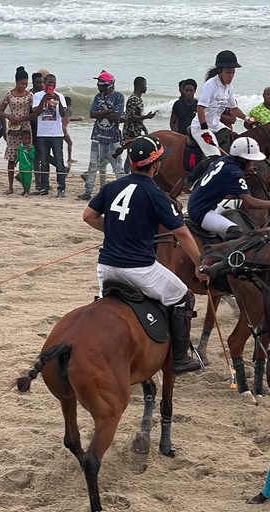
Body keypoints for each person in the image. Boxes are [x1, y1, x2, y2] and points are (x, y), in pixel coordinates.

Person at [82, 134, 204, 374]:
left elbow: (88, 216)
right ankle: (179, 359)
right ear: (155, 165)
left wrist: (115, 229)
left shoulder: (111, 186)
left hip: (106, 267)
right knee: (184, 296)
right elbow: (182, 234)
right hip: (140, 269)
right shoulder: (157, 194)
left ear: (131, 162)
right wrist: (200, 265)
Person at [187, 137, 270, 239]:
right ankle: (226, 254)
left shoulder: (224, 160)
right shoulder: (235, 173)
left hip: (198, 203)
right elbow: (250, 203)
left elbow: (228, 177)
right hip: (202, 213)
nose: (253, 164)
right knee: (235, 231)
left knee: (232, 213)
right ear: (243, 160)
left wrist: (244, 171)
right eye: (251, 162)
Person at [185, 51, 255, 188]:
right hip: (201, 126)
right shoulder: (210, 85)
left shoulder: (229, 88)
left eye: (233, 73)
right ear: (220, 71)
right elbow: (200, 108)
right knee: (215, 158)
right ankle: (191, 179)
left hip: (216, 125)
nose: (231, 76)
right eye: (228, 72)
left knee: (230, 139)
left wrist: (246, 118)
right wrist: (205, 129)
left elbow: (234, 108)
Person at [79, 71, 125, 201]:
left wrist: (101, 113)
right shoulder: (98, 97)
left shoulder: (119, 97)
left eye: (101, 83)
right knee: (93, 165)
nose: (98, 85)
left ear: (108, 85)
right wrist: (108, 111)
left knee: (117, 168)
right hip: (98, 137)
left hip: (112, 138)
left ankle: (122, 192)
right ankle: (88, 192)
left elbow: (117, 116)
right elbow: (92, 114)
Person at [0, 67, 35, 195]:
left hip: (25, 128)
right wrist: (10, 117)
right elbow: (0, 111)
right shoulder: (9, 94)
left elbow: (34, 113)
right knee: (12, 158)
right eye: (22, 84)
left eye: (26, 84)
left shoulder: (30, 95)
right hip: (13, 129)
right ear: (16, 82)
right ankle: (10, 186)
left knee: (26, 156)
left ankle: (26, 185)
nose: (24, 86)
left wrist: (24, 118)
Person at [31, 73, 68, 197]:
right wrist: (44, 99)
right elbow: (36, 113)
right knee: (44, 162)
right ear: (44, 84)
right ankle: (44, 187)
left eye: (53, 84)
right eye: (48, 83)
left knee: (59, 162)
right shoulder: (37, 96)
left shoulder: (60, 96)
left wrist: (58, 100)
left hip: (57, 134)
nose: (50, 85)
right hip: (42, 134)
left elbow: (63, 114)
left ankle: (61, 187)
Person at [123, 76, 156, 172]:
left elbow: (137, 117)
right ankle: (126, 174)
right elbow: (130, 117)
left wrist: (144, 128)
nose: (146, 87)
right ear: (139, 86)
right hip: (130, 132)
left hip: (136, 131)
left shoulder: (139, 99)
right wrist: (146, 117)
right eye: (145, 85)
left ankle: (129, 173)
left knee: (132, 155)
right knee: (130, 155)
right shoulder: (133, 99)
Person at [17, 130, 35, 195]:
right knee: (22, 179)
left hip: (28, 166)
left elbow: (32, 157)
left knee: (27, 180)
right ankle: (24, 189)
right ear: (22, 139)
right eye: (25, 139)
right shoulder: (21, 147)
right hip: (21, 166)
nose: (27, 141)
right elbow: (19, 155)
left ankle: (27, 190)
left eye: (29, 139)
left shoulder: (31, 147)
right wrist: (16, 162)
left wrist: (29, 151)